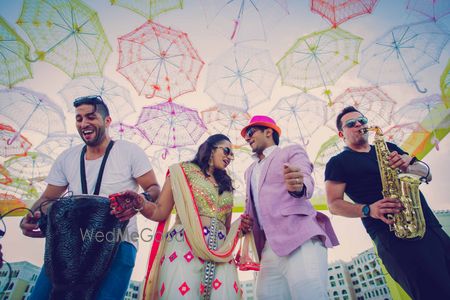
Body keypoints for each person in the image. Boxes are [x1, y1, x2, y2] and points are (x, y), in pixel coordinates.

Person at [20, 95, 161, 300]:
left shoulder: (129, 151)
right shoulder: (66, 158)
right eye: (79, 119)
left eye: (91, 117)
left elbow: (154, 188)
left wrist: (139, 200)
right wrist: (31, 215)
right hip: (68, 242)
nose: (84, 123)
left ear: (107, 121)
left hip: (119, 241)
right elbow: (47, 198)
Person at [325, 106, 450, 300]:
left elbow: (428, 174)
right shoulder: (337, 162)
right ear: (342, 134)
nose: (359, 124)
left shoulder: (390, 148)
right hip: (394, 235)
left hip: (429, 226)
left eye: (362, 120)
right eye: (351, 123)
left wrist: (409, 162)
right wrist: (368, 209)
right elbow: (333, 204)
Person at [121, 134, 251, 299]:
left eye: (232, 155)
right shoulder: (182, 171)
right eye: (226, 151)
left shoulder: (227, 185)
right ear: (211, 148)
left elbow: (226, 227)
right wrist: (140, 203)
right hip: (184, 247)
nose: (230, 157)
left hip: (220, 250)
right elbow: (159, 211)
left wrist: (241, 227)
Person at [241, 115, 339, 300]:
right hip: (268, 248)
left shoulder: (290, 151)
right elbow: (252, 208)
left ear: (268, 132)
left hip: (300, 238)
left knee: (309, 295)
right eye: (246, 135)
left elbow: (304, 174)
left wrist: (299, 186)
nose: (247, 137)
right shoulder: (249, 171)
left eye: (251, 132)